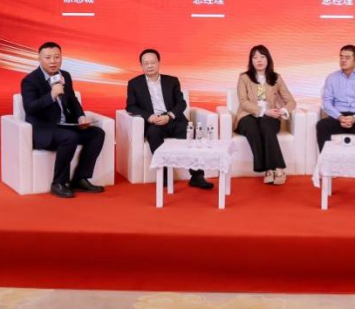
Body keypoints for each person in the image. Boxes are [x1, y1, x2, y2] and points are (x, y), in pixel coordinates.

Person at [20, 41, 105, 199]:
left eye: (56, 57)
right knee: (69, 137)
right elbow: (30, 108)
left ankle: (80, 179)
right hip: (43, 130)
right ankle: (58, 183)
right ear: (39, 59)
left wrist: (80, 116)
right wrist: (51, 95)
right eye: (48, 58)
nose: (53, 61)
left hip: (65, 126)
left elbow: (72, 100)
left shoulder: (65, 75)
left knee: (97, 133)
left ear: (61, 58)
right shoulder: (30, 80)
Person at [126, 49, 213, 190]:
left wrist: (169, 116)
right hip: (154, 122)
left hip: (173, 119)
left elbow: (181, 103)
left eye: (152, 62)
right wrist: (149, 117)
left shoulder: (172, 81)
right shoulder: (134, 83)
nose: (149, 66)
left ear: (159, 63)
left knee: (191, 132)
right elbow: (131, 106)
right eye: (146, 63)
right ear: (141, 65)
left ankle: (197, 176)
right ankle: (165, 174)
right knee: (153, 133)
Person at [235, 45, 297, 185]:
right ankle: (269, 169)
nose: (259, 60)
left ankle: (277, 169)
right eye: (255, 57)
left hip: (270, 116)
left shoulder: (276, 78)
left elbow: (291, 101)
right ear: (251, 61)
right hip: (247, 114)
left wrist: (282, 111)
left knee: (266, 126)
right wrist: (263, 111)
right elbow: (243, 101)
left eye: (262, 57)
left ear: (268, 59)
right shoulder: (244, 77)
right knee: (252, 128)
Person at [316, 44, 355, 151]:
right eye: (341, 57)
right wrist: (340, 117)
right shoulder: (331, 78)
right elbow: (327, 102)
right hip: (337, 117)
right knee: (322, 125)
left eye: (347, 57)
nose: (343, 60)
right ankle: (326, 159)